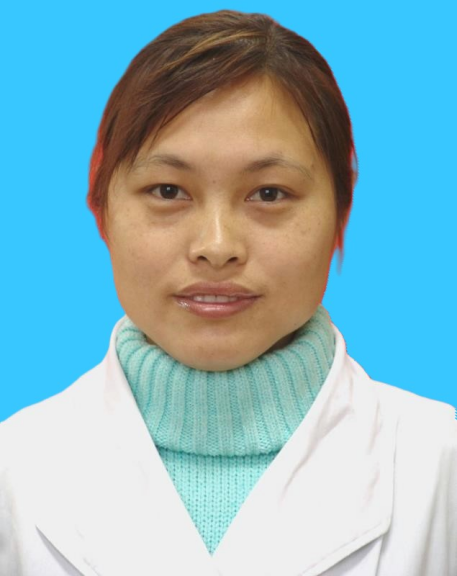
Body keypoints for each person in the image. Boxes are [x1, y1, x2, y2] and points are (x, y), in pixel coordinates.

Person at [1, 9, 456, 576]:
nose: (216, 248)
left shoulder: (441, 469)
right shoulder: (13, 472)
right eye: (168, 190)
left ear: (342, 210)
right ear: (102, 209)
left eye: (269, 193)